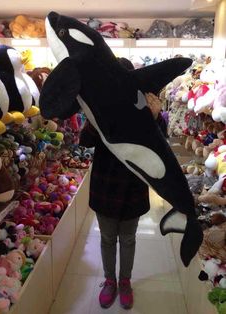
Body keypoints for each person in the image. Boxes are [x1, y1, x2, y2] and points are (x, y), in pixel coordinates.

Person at [79, 57, 167, 310]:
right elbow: (84, 140)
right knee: (107, 238)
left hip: (132, 185)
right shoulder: (100, 107)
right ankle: (109, 281)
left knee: (127, 238)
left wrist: (155, 116)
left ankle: (125, 281)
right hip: (105, 185)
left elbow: (161, 141)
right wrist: (99, 117)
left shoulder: (143, 108)